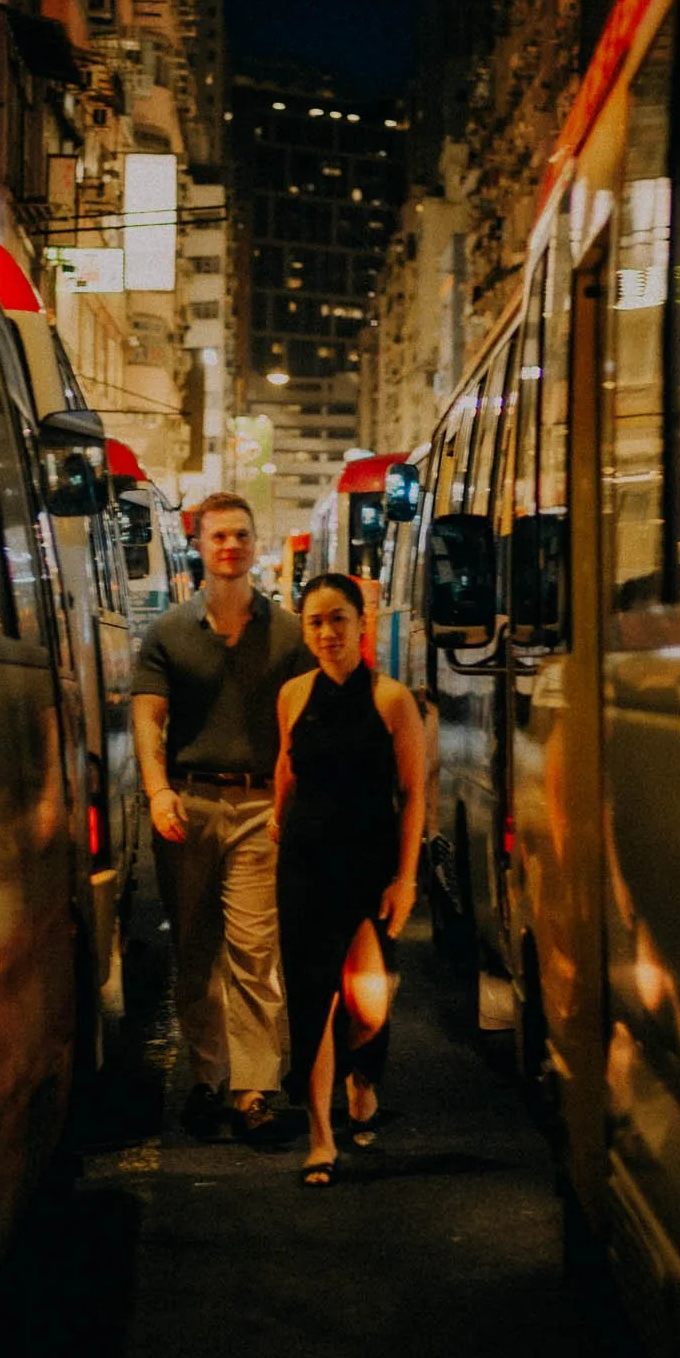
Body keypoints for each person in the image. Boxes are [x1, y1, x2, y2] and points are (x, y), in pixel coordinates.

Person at [132, 493, 315, 1139]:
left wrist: (293, 805)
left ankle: (253, 1090)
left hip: (261, 806)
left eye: (240, 535)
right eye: (218, 537)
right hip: (188, 802)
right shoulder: (167, 634)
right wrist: (157, 793)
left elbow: (304, 725)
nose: (230, 546)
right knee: (194, 949)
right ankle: (206, 1080)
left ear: (254, 543)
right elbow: (148, 722)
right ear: (201, 547)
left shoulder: (289, 633)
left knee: (255, 949)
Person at [271, 573, 426, 1185]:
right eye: (315, 622)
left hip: (368, 865)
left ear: (362, 623)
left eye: (338, 618)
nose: (327, 632)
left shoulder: (391, 699)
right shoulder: (292, 695)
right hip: (305, 865)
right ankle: (320, 1137)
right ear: (304, 631)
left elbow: (414, 794)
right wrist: (276, 823)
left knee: (368, 1006)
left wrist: (406, 879)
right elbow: (286, 767)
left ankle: (363, 1074)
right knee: (312, 1001)